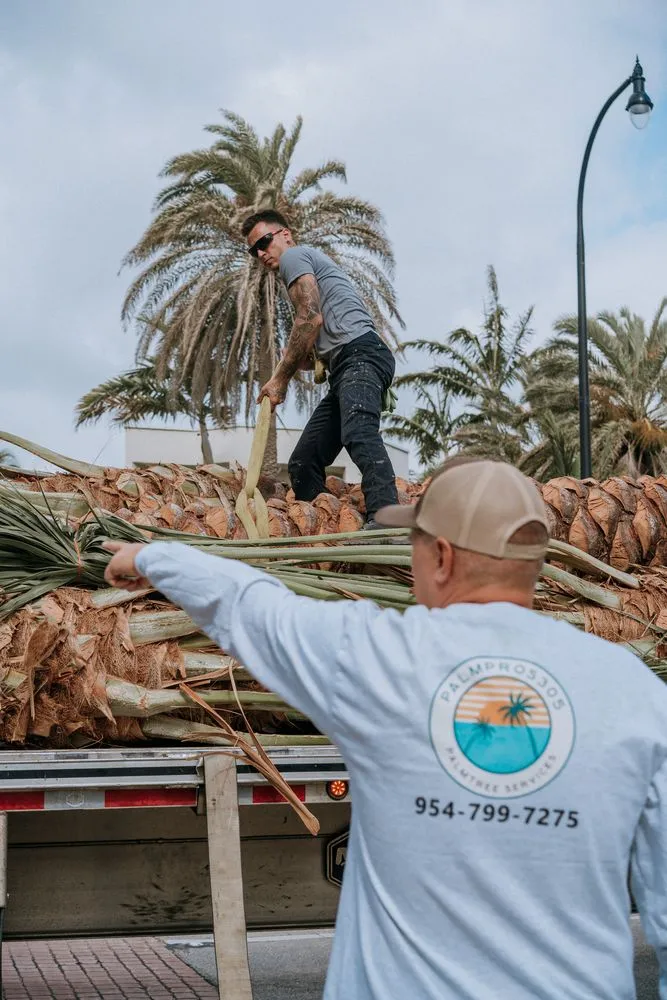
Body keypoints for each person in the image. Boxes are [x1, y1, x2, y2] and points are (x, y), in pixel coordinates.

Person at [103, 457, 667, 1000]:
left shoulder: (380, 657)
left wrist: (150, 557)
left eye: (414, 545)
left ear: (442, 557)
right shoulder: (636, 691)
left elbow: (248, 603)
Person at [241, 209, 399, 527]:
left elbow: (310, 318)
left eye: (264, 242)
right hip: (345, 366)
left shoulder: (294, 257)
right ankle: (322, 527)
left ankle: (388, 519)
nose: (260, 253)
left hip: (362, 354)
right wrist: (294, 361)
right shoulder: (305, 268)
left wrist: (279, 380)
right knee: (304, 460)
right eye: (253, 250)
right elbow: (311, 337)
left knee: (358, 431)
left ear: (285, 234)